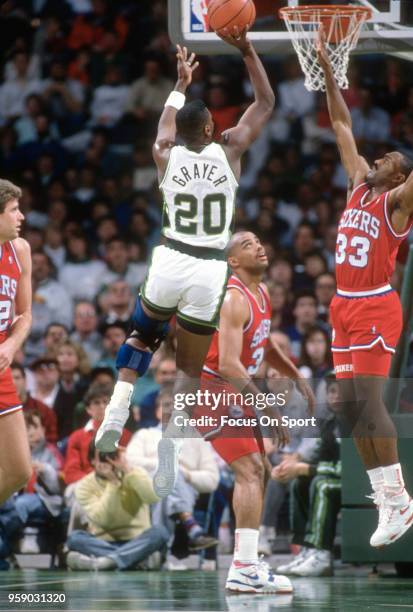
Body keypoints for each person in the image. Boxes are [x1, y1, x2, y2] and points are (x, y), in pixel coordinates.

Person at [96, 29, 276, 503]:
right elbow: (267, 103)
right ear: (214, 131)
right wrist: (246, 49)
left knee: (142, 336)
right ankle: (172, 452)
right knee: (191, 372)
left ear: (181, 133)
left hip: (170, 258)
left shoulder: (165, 154)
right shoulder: (231, 150)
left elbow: (164, 126)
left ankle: (116, 411)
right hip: (209, 269)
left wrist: (179, 83)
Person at [317, 30, 413, 547]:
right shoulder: (357, 182)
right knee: (353, 412)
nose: (378, 159)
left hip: (377, 303)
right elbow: (340, 122)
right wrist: (331, 72)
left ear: (401, 175)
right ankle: (387, 501)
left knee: (372, 405)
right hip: (343, 305)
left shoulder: (398, 203)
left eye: (390, 159)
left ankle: (401, 497)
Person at [200, 231, 315, 594]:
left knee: (259, 472)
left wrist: (295, 374)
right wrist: (268, 407)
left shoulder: (261, 293)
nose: (260, 246)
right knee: (250, 470)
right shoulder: (233, 298)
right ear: (233, 261)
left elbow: (264, 341)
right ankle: (244, 568)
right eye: (247, 244)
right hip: (214, 389)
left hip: (235, 391)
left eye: (259, 241)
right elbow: (232, 366)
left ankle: (246, 562)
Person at [66, 441, 169, 571]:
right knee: (75, 538)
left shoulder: (135, 473)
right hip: (103, 541)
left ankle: (104, 562)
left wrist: (127, 469)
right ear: (92, 460)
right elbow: (102, 519)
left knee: (160, 532)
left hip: (137, 540)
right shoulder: (84, 486)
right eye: (103, 455)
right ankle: (137, 560)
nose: (108, 460)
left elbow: (153, 497)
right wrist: (113, 483)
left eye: (111, 454)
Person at [0, 179, 33, 504]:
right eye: (13, 211)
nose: (21, 217)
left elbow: (25, 316)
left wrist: (11, 346)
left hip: (2, 364)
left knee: (20, 470)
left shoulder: (20, 249)